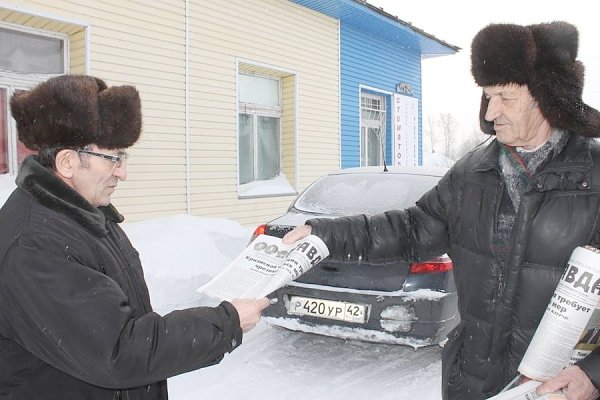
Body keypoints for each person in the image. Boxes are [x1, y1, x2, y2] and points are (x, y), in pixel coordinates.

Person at [284, 21, 600, 400]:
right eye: (487, 96)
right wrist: (327, 234)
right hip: (473, 382)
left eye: (505, 97)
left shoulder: (594, 176)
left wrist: (592, 375)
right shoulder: (474, 171)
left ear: (545, 98)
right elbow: (413, 228)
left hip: (559, 389)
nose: (491, 111)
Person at [0, 75, 270, 399]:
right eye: (114, 158)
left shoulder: (86, 214)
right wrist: (226, 323)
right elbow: (118, 350)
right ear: (68, 162)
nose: (123, 172)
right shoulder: (37, 242)